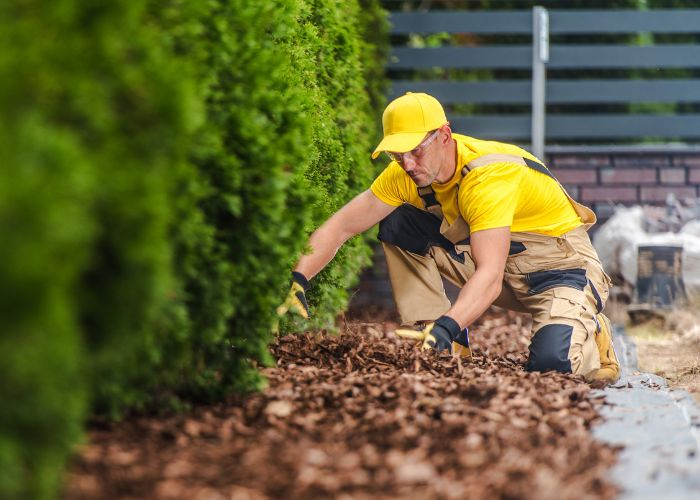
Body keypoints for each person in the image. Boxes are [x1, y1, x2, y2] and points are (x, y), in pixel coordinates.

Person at [277, 92, 620, 383]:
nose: (407, 164)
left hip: (562, 273)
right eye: (397, 154)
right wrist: (298, 278)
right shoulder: (405, 175)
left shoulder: (488, 176)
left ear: (443, 135)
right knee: (399, 222)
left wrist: (450, 325)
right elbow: (342, 226)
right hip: (503, 272)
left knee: (551, 368)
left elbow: (488, 275)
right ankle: (435, 336)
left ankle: (593, 335)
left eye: (415, 151)